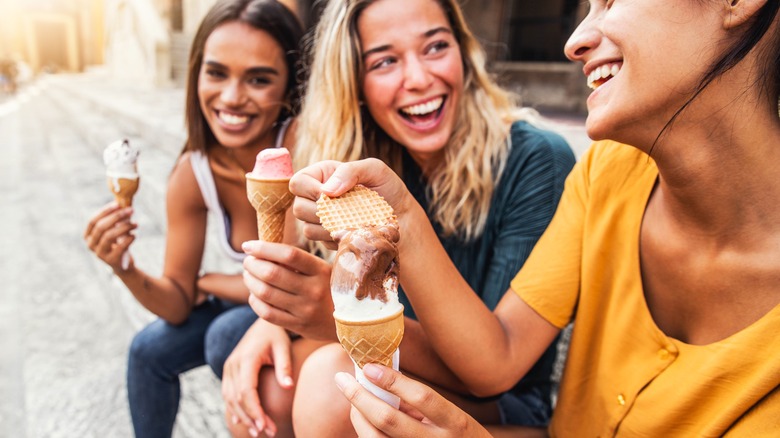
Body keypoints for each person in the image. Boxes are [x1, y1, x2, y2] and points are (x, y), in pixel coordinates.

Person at [290, 0, 780, 435]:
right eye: (384, 61)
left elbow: (501, 386)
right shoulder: (607, 172)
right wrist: (402, 216)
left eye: (611, 2)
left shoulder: (538, 158)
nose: (575, 41)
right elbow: (497, 355)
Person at [234, 0, 576, 435]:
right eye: (385, 61)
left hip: (504, 404)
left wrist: (332, 311)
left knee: (326, 384)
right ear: (353, 83)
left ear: (464, 55)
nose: (418, 79)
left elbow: (489, 377)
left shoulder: (535, 161)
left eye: (435, 47)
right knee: (266, 383)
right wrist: (269, 322)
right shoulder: (361, 165)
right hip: (410, 368)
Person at [82, 1, 314, 437]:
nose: (231, 97)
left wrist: (207, 282)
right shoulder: (193, 173)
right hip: (257, 304)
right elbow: (174, 301)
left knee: (224, 335)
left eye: (259, 79)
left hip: (313, 312)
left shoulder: (302, 143)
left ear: (289, 87)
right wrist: (123, 265)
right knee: (147, 350)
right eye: (216, 73)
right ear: (196, 75)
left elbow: (285, 277)